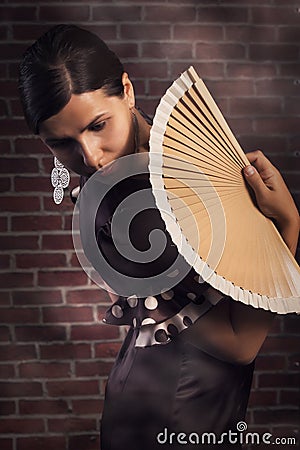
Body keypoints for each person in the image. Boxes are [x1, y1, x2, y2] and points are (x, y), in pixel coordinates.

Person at [18, 25, 299, 450]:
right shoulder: (112, 213)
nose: (90, 156)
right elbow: (241, 344)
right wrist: (289, 225)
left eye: (98, 125)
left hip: (211, 403)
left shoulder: (188, 156)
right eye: (61, 143)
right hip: (165, 413)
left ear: (127, 91)